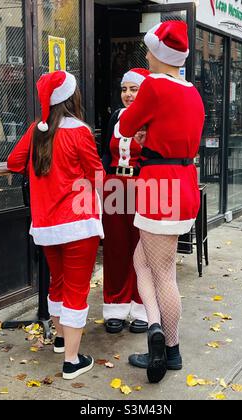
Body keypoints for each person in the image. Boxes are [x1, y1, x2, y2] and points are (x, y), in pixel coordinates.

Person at [116, 21, 205, 383]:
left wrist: (141, 133)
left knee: (162, 270)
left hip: (159, 188)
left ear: (160, 54)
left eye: (149, 50)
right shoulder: (192, 92)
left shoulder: (153, 86)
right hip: (184, 184)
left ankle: (170, 347)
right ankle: (156, 327)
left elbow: (124, 127)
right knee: (144, 261)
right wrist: (150, 133)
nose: (147, 56)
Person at [7, 71, 105, 380]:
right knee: (76, 290)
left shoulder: (38, 130)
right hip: (78, 224)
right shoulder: (80, 132)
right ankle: (72, 361)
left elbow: (13, 162)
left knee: (58, 282)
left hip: (47, 225)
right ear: (73, 98)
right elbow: (97, 174)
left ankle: (62, 339)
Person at [102, 68, 150, 334]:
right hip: (113, 188)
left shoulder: (153, 117)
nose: (128, 95)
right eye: (124, 89)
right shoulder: (115, 117)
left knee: (142, 249)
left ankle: (142, 306)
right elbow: (105, 155)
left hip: (143, 187)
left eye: (134, 89)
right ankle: (115, 305)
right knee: (116, 248)